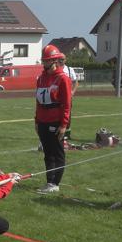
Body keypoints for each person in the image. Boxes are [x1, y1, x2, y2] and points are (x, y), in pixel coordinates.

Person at [34, 44, 72, 194]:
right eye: (43, 61)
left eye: (46, 61)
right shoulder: (41, 78)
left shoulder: (63, 79)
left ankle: (55, 183)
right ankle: (49, 182)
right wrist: (36, 121)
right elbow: (37, 101)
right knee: (47, 153)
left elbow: (67, 104)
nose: (44, 63)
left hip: (55, 121)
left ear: (54, 61)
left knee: (57, 153)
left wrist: (63, 124)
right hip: (42, 121)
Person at [61, 55, 78, 141]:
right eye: (59, 59)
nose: (61, 61)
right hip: (58, 97)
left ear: (65, 60)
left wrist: (72, 92)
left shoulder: (69, 70)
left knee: (67, 114)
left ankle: (67, 134)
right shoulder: (55, 69)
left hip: (67, 97)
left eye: (62, 59)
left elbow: (75, 82)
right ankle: (59, 133)